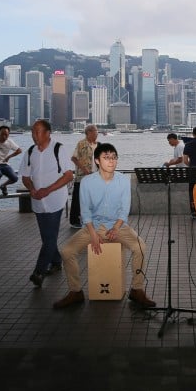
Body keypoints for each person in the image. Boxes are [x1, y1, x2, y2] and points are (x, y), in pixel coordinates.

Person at [54, 143, 156, 309]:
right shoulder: (87, 182)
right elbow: (85, 211)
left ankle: (137, 290)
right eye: (106, 157)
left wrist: (116, 228)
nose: (111, 161)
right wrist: (93, 235)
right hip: (92, 226)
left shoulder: (123, 180)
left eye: (114, 157)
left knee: (140, 248)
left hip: (118, 226)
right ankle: (75, 291)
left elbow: (124, 209)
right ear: (97, 160)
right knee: (67, 251)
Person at [21, 119, 74, 288]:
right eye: (33, 131)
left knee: (50, 238)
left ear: (47, 133)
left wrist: (48, 190)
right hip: (37, 202)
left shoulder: (59, 149)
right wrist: (32, 189)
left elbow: (68, 175)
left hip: (55, 200)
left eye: (38, 131)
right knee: (47, 238)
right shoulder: (30, 152)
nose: (34, 135)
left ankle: (39, 272)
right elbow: (25, 176)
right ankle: (57, 262)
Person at [69, 125, 98, 229]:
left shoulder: (99, 145)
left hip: (95, 177)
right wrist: (84, 169)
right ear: (89, 133)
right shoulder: (81, 144)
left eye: (97, 132)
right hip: (82, 177)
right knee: (77, 199)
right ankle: (75, 221)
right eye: (95, 132)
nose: (97, 134)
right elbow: (74, 158)